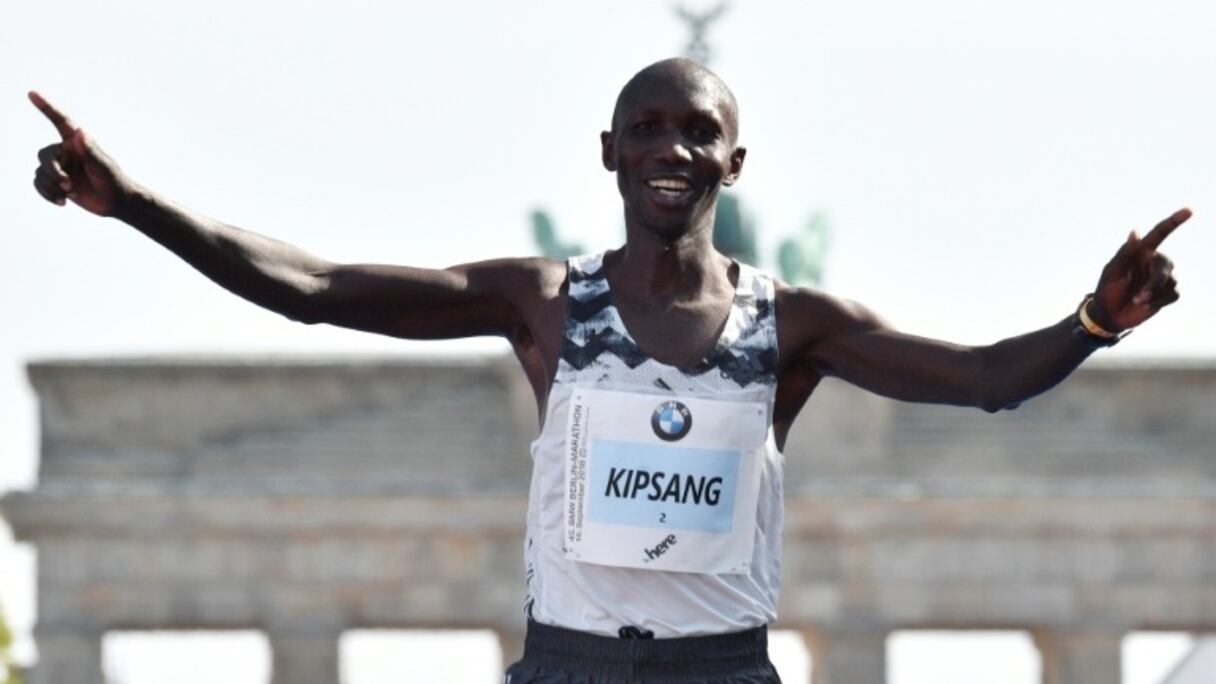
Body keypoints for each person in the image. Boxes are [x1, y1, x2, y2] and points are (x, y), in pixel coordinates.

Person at [30, 58, 1187, 683]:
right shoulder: (544, 303)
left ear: (734, 160)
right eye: (645, 128)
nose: (669, 150)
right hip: (569, 671)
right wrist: (132, 205)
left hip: (719, 675)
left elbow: (985, 379)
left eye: (696, 132)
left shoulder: (794, 325)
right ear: (609, 153)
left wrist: (1095, 319)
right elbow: (319, 290)